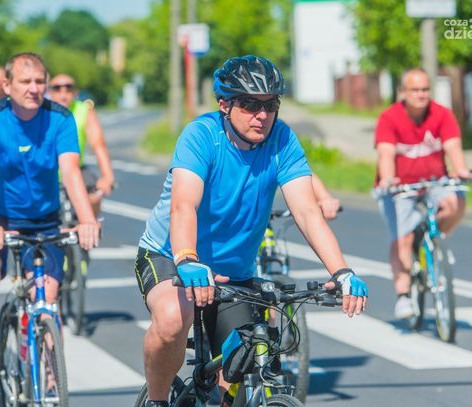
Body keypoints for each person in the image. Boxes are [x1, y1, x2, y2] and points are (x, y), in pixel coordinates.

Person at [134, 55, 369, 407]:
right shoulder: (202, 135)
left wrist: (342, 271)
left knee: (241, 362)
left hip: (234, 270)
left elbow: (307, 212)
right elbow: (184, 205)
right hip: (171, 255)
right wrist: (187, 259)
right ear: (224, 104)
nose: (262, 115)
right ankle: (156, 401)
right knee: (171, 321)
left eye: (270, 105)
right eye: (249, 104)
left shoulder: (282, 140)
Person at [0, 52, 100, 377]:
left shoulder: (60, 118)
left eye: (40, 81)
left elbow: (71, 172)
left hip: (43, 220)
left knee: (47, 302)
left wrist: (86, 220)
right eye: (25, 81)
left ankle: (50, 383)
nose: (34, 88)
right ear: (7, 85)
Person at [374, 68, 470, 319]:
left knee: (456, 202)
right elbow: (386, 153)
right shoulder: (390, 117)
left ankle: (433, 240)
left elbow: (453, 146)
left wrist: (461, 170)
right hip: (399, 187)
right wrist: (388, 179)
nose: (421, 94)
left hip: (434, 182)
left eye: (425, 89)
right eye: (415, 90)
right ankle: (403, 295)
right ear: (403, 92)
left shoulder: (442, 114)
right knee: (402, 239)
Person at [48, 74, 115, 216]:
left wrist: (107, 176)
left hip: (76, 168)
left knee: (94, 195)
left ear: (75, 92)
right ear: (49, 92)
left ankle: (91, 227)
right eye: (57, 88)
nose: (63, 93)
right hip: (47, 170)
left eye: (68, 88)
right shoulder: (41, 111)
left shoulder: (84, 111)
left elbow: (98, 144)